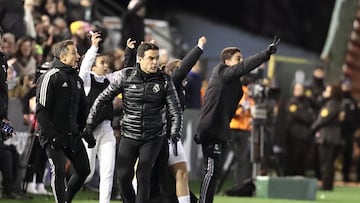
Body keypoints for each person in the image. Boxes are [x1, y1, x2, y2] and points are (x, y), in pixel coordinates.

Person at [84, 42, 182, 203]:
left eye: (157, 58)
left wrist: (175, 132)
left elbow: (175, 109)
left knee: (143, 175)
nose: (155, 62)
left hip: (153, 136)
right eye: (151, 58)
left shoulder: (164, 80)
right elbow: (102, 98)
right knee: (122, 178)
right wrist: (89, 124)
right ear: (140, 59)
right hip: (129, 134)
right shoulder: (126, 76)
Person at [194, 36, 280, 203]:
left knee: (215, 171)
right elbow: (244, 68)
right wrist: (265, 54)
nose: (242, 62)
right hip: (211, 128)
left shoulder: (232, 80)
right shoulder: (221, 72)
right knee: (211, 171)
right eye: (238, 59)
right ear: (227, 62)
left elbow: (245, 71)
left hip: (221, 129)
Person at [35, 39, 96, 203]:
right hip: (52, 135)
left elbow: (82, 112)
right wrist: (52, 136)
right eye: (74, 53)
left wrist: (86, 133)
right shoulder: (50, 76)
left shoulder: (77, 80)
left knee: (84, 169)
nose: (78, 56)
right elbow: (41, 111)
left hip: (72, 134)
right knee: (59, 170)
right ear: (63, 57)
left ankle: (66, 199)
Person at [78, 31, 116, 203]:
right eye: (102, 63)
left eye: (106, 63)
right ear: (93, 67)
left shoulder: (108, 81)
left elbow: (126, 73)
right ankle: (65, 193)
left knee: (108, 170)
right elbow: (84, 67)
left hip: (106, 128)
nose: (106, 66)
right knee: (87, 172)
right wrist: (94, 47)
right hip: (88, 131)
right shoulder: (86, 81)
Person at [311, 84, 343, 191]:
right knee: (327, 162)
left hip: (327, 137)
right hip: (331, 136)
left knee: (326, 162)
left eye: (328, 90)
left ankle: (326, 185)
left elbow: (324, 118)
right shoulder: (333, 103)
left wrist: (313, 127)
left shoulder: (332, 104)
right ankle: (327, 183)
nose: (325, 91)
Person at [284, 83, 314, 176]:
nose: (299, 91)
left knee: (303, 159)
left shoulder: (307, 102)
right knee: (293, 158)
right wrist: (306, 117)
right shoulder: (291, 102)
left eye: (300, 89)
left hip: (305, 135)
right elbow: (299, 116)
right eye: (297, 89)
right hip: (294, 136)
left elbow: (311, 116)